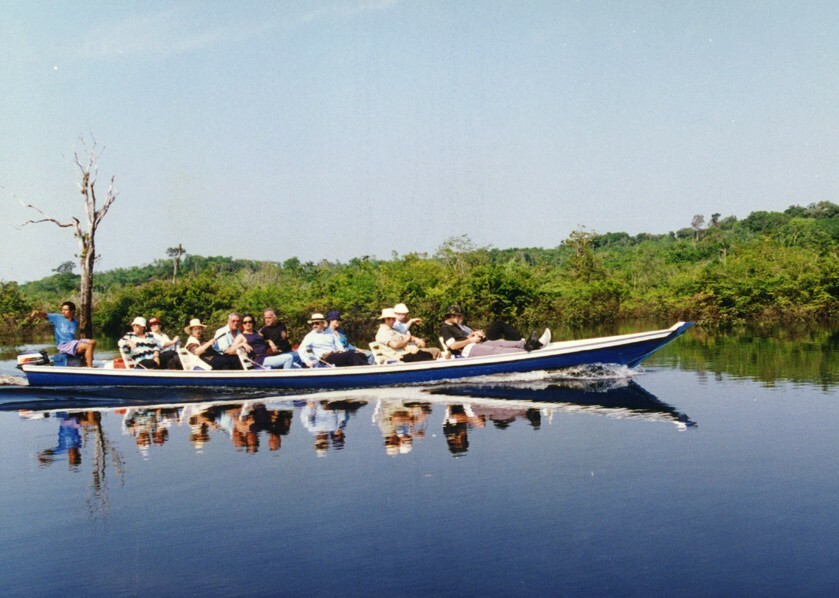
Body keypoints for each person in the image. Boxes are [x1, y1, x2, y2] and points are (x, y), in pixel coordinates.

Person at [439, 305, 550, 358]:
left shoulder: (455, 326)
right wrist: (470, 340)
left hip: (476, 344)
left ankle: (534, 344)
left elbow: (462, 338)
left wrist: (472, 335)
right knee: (496, 350)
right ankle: (527, 354)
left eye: (460, 316)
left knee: (501, 342)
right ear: (450, 316)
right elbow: (453, 346)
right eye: (458, 316)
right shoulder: (445, 328)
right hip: (468, 350)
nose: (460, 318)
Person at [31, 301, 96, 367]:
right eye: (62, 309)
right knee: (88, 346)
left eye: (65, 310)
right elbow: (45, 315)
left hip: (72, 343)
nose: (63, 311)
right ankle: (90, 367)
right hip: (64, 345)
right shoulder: (57, 317)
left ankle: (83, 364)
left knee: (93, 342)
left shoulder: (75, 321)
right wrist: (37, 313)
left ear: (72, 311)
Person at [298, 313, 369, 367]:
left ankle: (363, 370)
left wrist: (341, 351)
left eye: (316, 323)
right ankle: (368, 369)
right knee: (351, 354)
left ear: (322, 323)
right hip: (324, 359)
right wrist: (307, 361)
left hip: (335, 355)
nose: (314, 325)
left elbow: (339, 345)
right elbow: (301, 350)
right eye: (312, 323)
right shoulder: (310, 336)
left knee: (361, 354)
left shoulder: (330, 332)